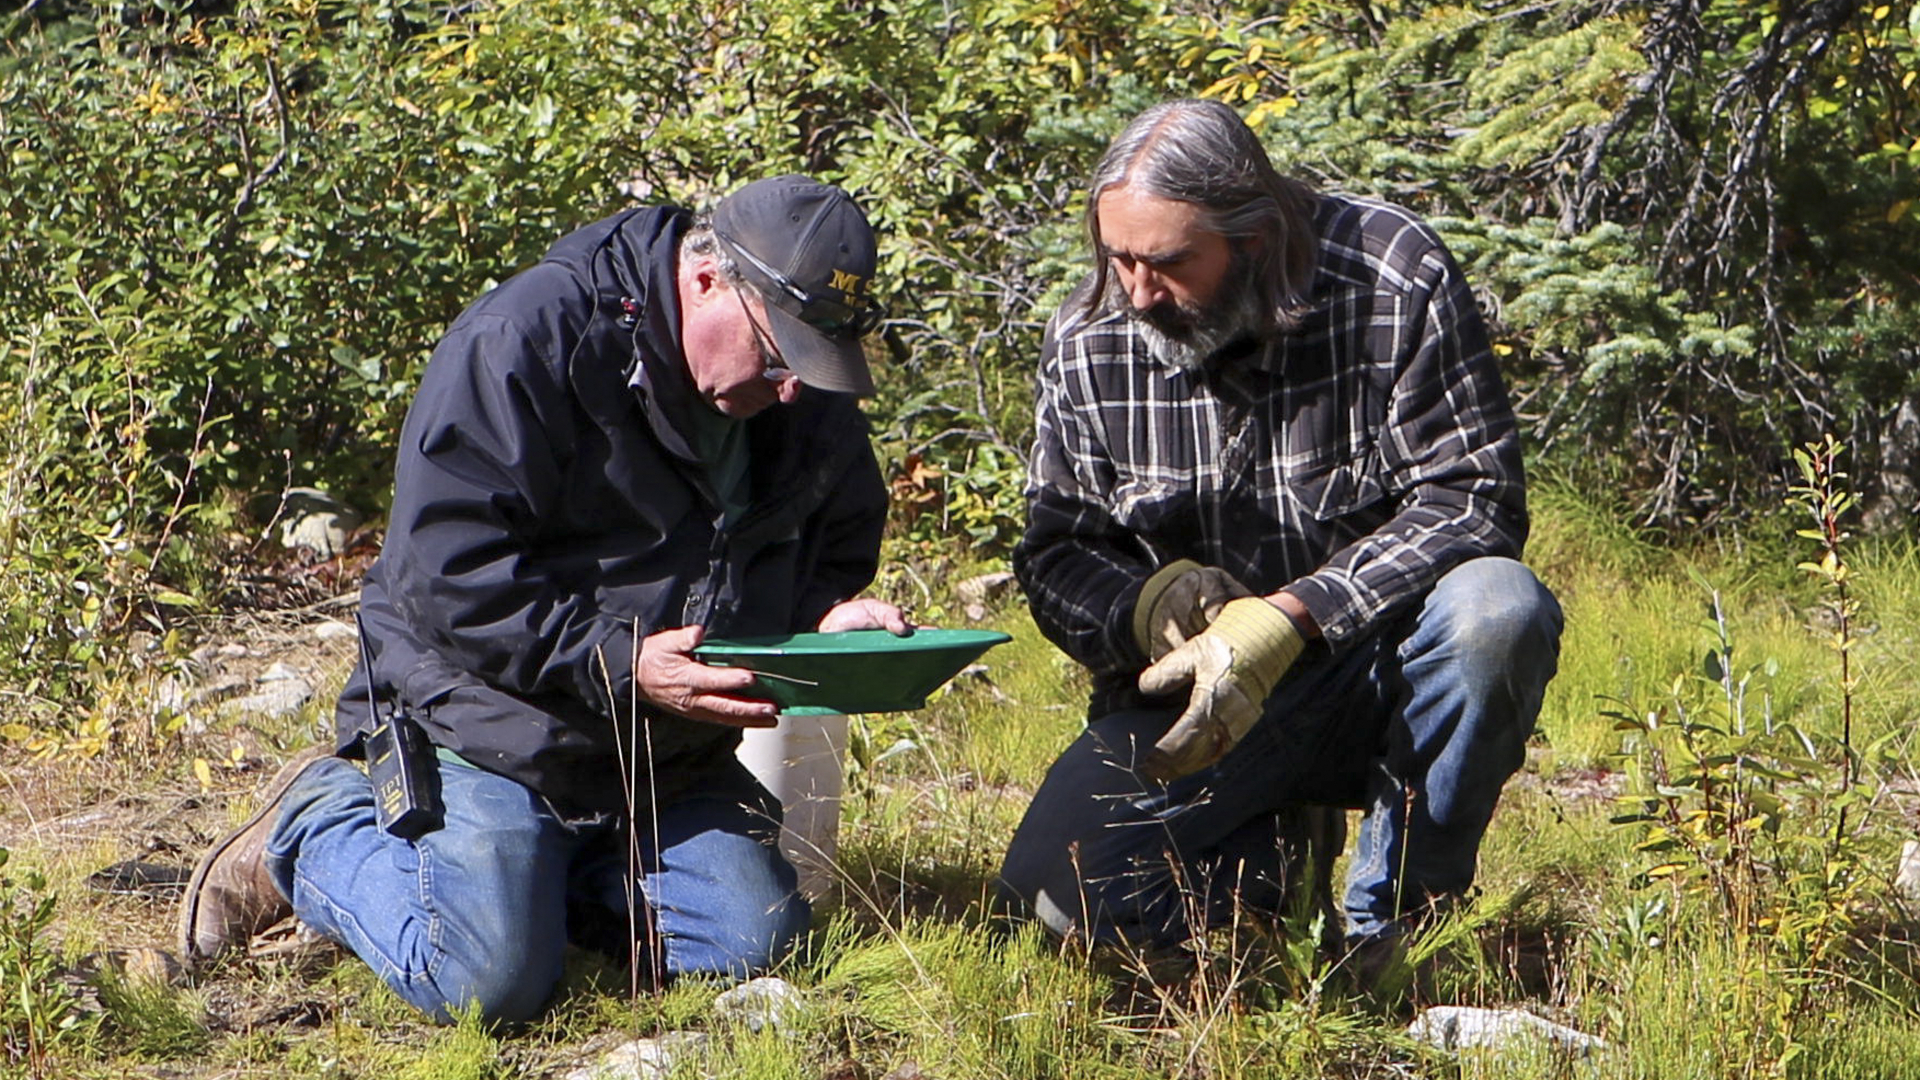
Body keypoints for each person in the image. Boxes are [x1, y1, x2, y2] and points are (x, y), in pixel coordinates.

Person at [177, 175, 910, 1024]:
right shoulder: (526, 339)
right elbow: (446, 572)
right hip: (489, 720)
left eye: (809, 367)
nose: (791, 389)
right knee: (490, 983)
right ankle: (313, 828)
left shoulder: (795, 392)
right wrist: (619, 661)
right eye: (779, 354)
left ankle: (544, 877)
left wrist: (822, 616)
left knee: (757, 942)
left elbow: (836, 529)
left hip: (660, 756)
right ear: (709, 279)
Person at [996, 100, 1563, 979]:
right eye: (1119, 258)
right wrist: (1142, 608)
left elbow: (1475, 499)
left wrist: (1296, 615)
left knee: (1498, 610)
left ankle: (1403, 917)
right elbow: (1055, 552)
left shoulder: (1389, 275)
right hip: (1196, 711)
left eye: (1170, 263)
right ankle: (1273, 869)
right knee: (1055, 907)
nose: (1139, 292)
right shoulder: (1091, 336)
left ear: (1254, 238)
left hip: (1380, 672)